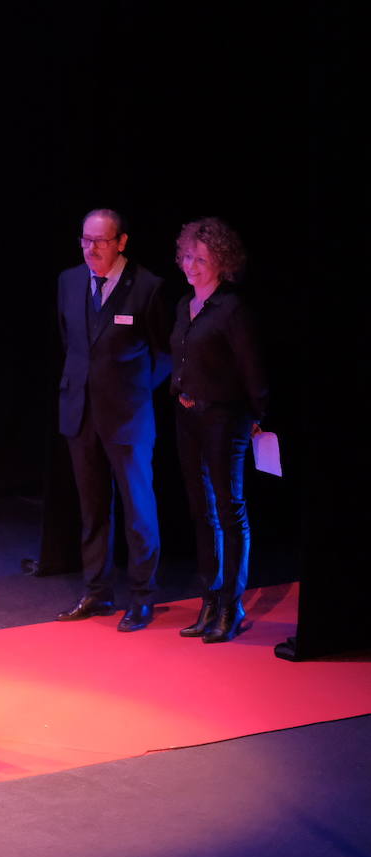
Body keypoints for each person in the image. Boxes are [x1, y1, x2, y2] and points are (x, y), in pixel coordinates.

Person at [55, 209, 170, 632]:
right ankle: (97, 592)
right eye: (85, 239)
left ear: (121, 242)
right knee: (92, 509)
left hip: (128, 417)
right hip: (80, 412)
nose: (91, 249)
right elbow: (73, 343)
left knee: (138, 509)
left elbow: (164, 354)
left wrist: (133, 392)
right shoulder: (69, 282)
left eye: (100, 241)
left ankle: (143, 596)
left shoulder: (148, 287)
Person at [170, 218, 267, 643]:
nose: (192, 265)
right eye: (188, 256)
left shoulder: (233, 309)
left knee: (230, 508)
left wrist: (262, 417)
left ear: (222, 264)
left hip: (226, 418)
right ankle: (210, 597)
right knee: (200, 509)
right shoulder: (184, 305)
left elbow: (253, 369)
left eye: (202, 259)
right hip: (188, 416)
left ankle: (232, 603)